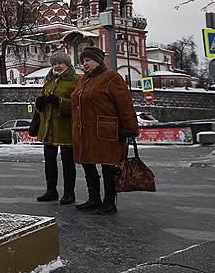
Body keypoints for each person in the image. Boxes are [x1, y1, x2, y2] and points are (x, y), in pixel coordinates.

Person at [71, 46, 138, 215]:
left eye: (88, 60)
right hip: (84, 131)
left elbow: (124, 104)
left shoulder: (111, 78)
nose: (84, 64)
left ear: (98, 61)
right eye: (83, 61)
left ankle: (109, 201)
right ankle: (94, 198)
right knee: (87, 164)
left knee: (108, 166)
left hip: (106, 130)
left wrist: (129, 129)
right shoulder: (82, 80)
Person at [35, 52, 79, 205]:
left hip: (66, 128)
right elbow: (42, 101)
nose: (57, 66)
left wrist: (60, 101)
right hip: (48, 129)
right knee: (49, 161)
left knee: (68, 163)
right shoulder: (48, 81)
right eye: (54, 64)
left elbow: (78, 103)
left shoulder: (76, 80)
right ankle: (51, 190)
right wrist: (39, 103)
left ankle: (69, 193)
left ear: (68, 65)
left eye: (60, 63)